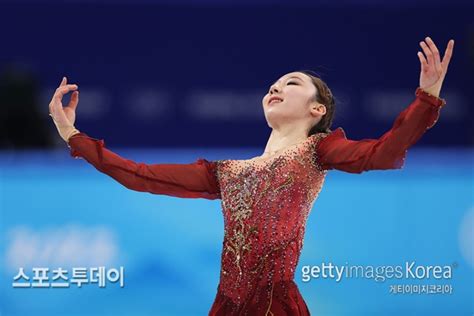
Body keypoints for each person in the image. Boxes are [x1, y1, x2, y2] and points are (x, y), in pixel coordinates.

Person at [48, 37, 454, 315]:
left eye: (291, 84)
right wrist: (73, 135)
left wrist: (426, 98)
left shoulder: (319, 149)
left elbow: (383, 153)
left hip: (278, 305)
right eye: (273, 85)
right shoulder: (227, 174)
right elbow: (140, 175)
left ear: (317, 111)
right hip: (226, 307)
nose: (275, 88)